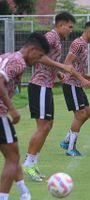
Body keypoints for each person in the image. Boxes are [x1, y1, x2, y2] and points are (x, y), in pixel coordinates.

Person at [22, 12, 90, 181]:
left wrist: (58, 73)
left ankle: (32, 163)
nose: (70, 30)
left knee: (48, 125)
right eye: (69, 27)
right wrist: (60, 66)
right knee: (43, 127)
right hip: (39, 86)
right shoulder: (51, 37)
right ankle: (29, 164)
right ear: (61, 25)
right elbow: (38, 57)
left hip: (46, 86)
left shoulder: (58, 40)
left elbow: (48, 61)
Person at [0, 32, 50, 200]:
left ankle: (24, 193)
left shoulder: (8, 56)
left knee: (12, 155)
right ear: (32, 50)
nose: (38, 60)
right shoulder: (19, 62)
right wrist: (12, 108)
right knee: (12, 158)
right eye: (40, 55)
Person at [59, 21, 90, 156]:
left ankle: (66, 140)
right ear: (89, 31)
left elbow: (75, 66)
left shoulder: (85, 45)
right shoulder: (78, 44)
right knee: (80, 114)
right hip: (71, 84)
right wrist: (81, 79)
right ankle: (71, 148)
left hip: (76, 83)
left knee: (86, 112)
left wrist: (84, 76)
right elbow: (67, 64)